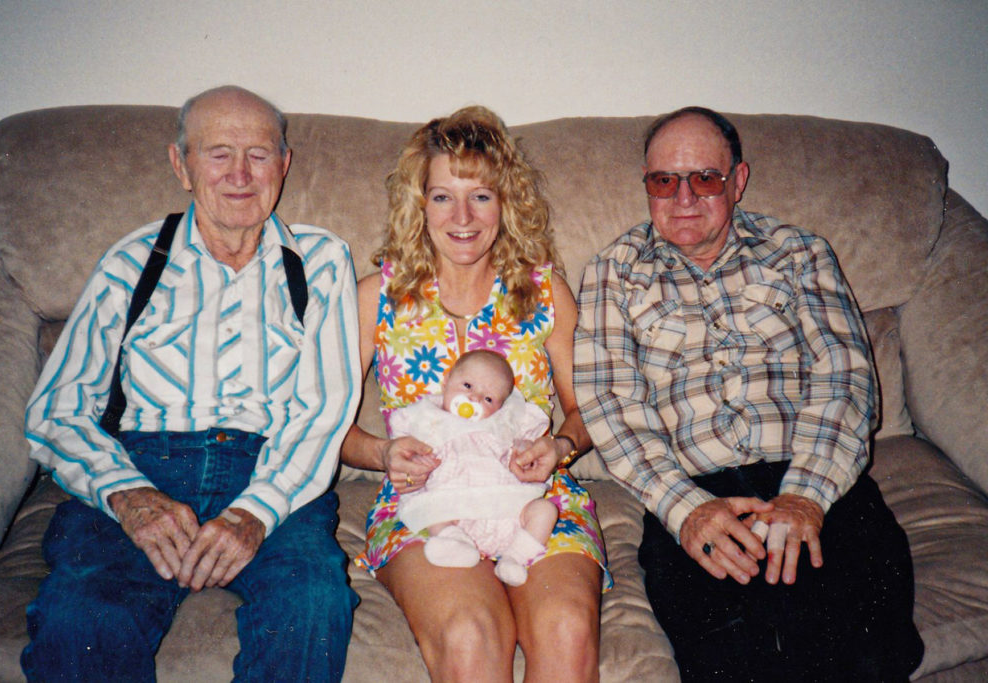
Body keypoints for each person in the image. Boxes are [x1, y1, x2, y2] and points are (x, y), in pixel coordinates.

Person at [22, 85, 361, 681]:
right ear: (180, 165)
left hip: (271, 470)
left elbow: (323, 409)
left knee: (311, 605)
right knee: (81, 620)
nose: (240, 174)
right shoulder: (132, 262)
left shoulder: (321, 261)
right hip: (143, 465)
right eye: (218, 153)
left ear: (284, 165)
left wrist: (255, 511)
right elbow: (56, 409)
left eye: (259, 155)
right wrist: (128, 495)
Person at [573, 106, 924, 681]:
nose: (683, 197)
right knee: (732, 663)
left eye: (704, 179)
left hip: (815, 478)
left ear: (738, 180)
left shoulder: (799, 253)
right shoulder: (613, 272)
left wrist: (806, 496)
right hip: (696, 494)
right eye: (664, 181)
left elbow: (845, 372)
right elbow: (611, 403)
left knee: (865, 654)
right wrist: (686, 511)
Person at [341, 105, 609, 681]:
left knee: (567, 629)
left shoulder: (543, 291)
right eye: (442, 197)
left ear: (506, 202)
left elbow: (588, 409)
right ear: (419, 205)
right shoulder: (376, 297)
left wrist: (559, 447)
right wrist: (383, 453)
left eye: (481, 196)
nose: (462, 216)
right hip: (427, 505)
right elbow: (325, 424)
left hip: (537, 500)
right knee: (470, 635)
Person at [392, 349, 558, 586]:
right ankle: (453, 541)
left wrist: (522, 453)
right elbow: (404, 450)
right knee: (431, 508)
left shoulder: (501, 425)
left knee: (545, 511)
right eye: (467, 385)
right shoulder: (427, 421)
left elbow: (523, 449)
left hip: (505, 508)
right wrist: (418, 462)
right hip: (452, 507)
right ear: (446, 381)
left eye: (488, 399)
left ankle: (514, 558)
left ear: (501, 408)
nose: (474, 399)